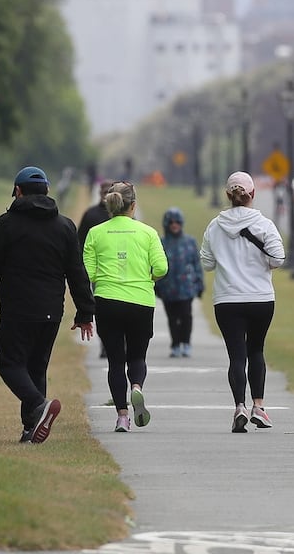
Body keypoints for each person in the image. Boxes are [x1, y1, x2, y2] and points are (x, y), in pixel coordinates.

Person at [0, 166, 95, 444]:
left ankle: (38, 405)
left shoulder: (6, 224)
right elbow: (77, 272)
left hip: (17, 308)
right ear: (47, 192)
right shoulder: (65, 226)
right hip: (51, 311)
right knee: (36, 366)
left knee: (9, 363)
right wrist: (85, 312)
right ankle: (30, 429)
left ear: (18, 192)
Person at [200, 172, 285, 433]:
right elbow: (278, 259)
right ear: (253, 195)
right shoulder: (264, 225)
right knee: (256, 350)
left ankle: (239, 406)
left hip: (228, 299)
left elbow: (206, 263)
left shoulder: (215, 226)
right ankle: (258, 406)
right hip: (260, 298)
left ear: (228, 195)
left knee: (236, 355)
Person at [83, 181, 168, 433]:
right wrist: (148, 278)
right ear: (133, 205)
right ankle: (137, 388)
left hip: (107, 301)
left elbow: (88, 271)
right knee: (137, 356)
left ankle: (122, 416)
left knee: (116, 361)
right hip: (140, 301)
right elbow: (162, 268)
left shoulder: (96, 233)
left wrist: (102, 280)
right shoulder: (148, 233)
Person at [155, 207, 205, 358]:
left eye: (177, 222)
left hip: (186, 288)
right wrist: (156, 285)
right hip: (168, 287)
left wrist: (199, 283)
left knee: (186, 316)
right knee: (172, 318)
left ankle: (186, 343)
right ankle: (175, 344)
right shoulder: (161, 242)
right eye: (171, 222)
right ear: (166, 224)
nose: (174, 225)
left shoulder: (189, 242)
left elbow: (196, 263)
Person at [78, 179, 115, 358]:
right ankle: (105, 344)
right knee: (101, 310)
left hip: (121, 270)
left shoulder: (122, 215)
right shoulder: (91, 215)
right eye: (105, 192)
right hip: (98, 272)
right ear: (100, 194)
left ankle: (119, 343)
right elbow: (79, 242)